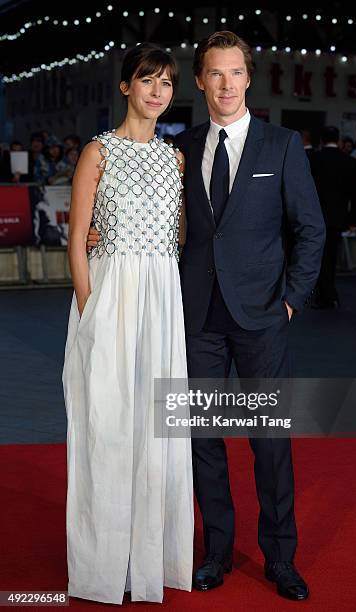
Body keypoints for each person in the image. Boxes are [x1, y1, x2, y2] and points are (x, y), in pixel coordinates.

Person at [88, 30, 325, 602]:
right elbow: (150, 218)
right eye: (214, 74)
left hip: (263, 318)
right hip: (195, 319)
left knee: (269, 444)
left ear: (249, 78)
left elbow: (311, 230)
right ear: (200, 81)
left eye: (235, 73)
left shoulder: (283, 145)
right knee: (203, 442)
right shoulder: (181, 148)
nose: (225, 84)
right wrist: (100, 235)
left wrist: (291, 299)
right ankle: (216, 551)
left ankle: (280, 557)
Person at [62, 43, 194, 605]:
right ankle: (102, 566)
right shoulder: (98, 151)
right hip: (110, 299)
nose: (158, 91)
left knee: (157, 429)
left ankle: (149, 561)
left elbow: (180, 236)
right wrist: (90, 307)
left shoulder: (175, 159)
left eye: (166, 82)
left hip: (162, 300)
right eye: (148, 80)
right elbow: (75, 239)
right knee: (108, 426)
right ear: (126, 87)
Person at [311, 126, 356, 308]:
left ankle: (323, 294)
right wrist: (354, 220)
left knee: (316, 256)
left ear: (323, 140)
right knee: (331, 256)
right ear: (338, 140)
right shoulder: (350, 162)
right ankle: (329, 293)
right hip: (337, 217)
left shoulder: (313, 159)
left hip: (314, 216)